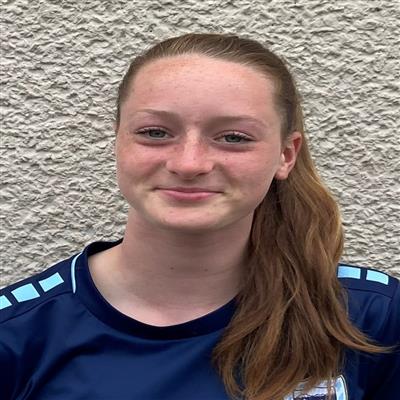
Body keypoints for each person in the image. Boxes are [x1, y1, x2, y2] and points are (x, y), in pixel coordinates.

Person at [0, 33, 399, 400]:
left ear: (285, 155)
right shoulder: (16, 332)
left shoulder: (371, 315)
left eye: (233, 138)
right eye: (155, 133)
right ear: (117, 140)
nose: (189, 163)